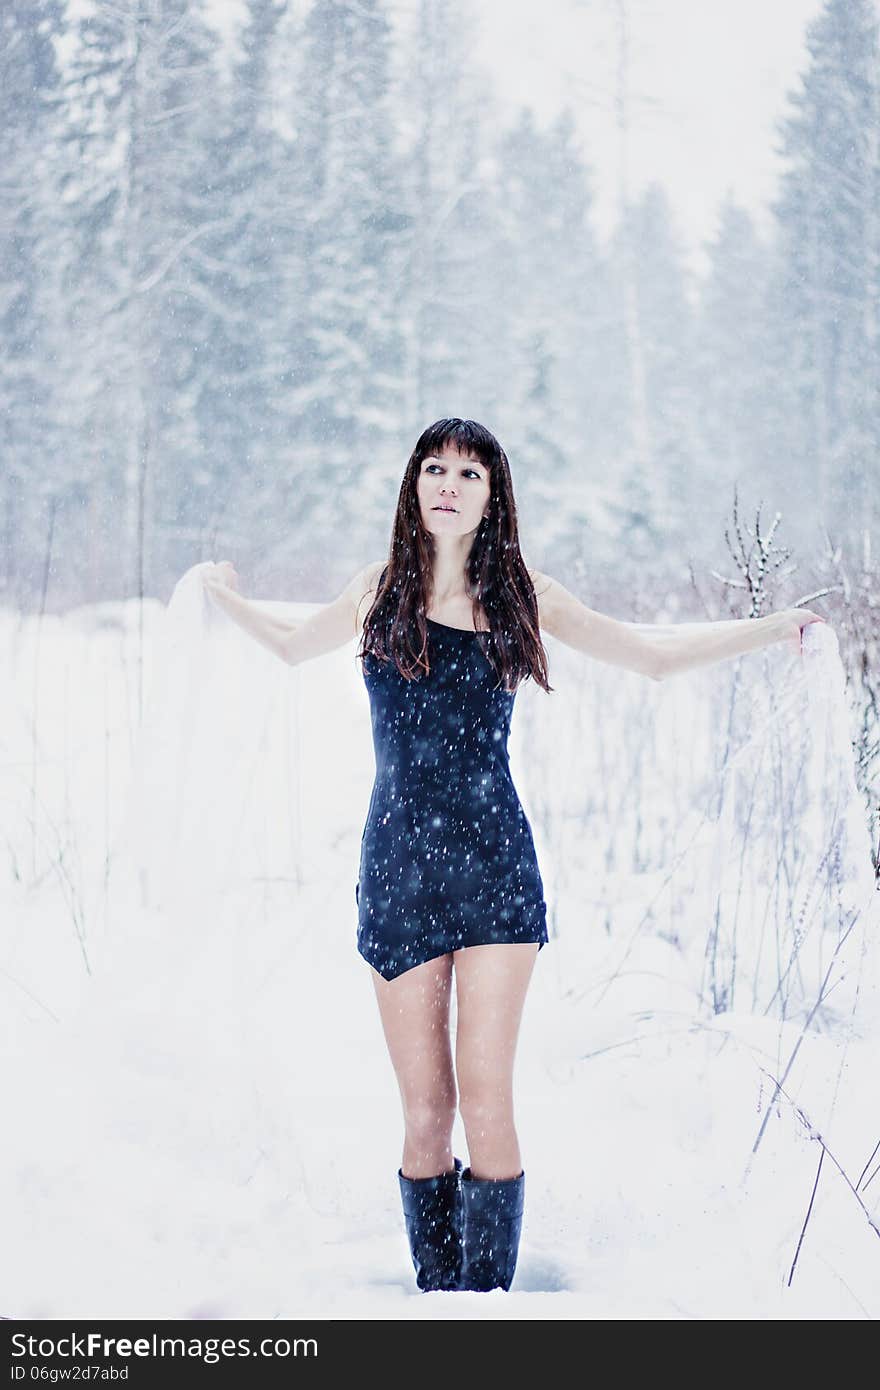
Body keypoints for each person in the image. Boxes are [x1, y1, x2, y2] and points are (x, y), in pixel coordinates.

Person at [200, 417, 825, 1295]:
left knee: (486, 1097)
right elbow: (288, 640)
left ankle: (488, 1313)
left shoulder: (525, 593)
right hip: (398, 875)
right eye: (434, 468)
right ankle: (436, 1298)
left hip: (495, 871)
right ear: (414, 487)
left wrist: (765, 631)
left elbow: (647, 655)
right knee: (426, 1113)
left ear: (494, 498)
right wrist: (222, 594)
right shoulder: (374, 589)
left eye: (470, 473)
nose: (448, 484)